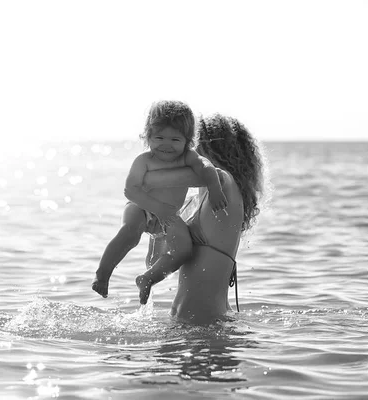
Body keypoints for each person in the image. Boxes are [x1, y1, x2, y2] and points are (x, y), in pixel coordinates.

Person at [91, 101, 229, 301]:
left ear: (188, 141)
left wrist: (215, 189)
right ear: (147, 137)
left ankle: (148, 279)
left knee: (184, 250)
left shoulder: (187, 157)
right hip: (141, 206)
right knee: (130, 232)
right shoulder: (144, 160)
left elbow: (207, 167)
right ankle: (103, 273)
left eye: (175, 139)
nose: (166, 144)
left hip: (170, 215)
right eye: (159, 137)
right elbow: (130, 190)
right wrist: (157, 208)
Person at [141, 113, 266, 324]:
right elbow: (153, 262)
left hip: (207, 325)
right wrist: (158, 226)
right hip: (187, 325)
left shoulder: (223, 185)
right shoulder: (191, 203)